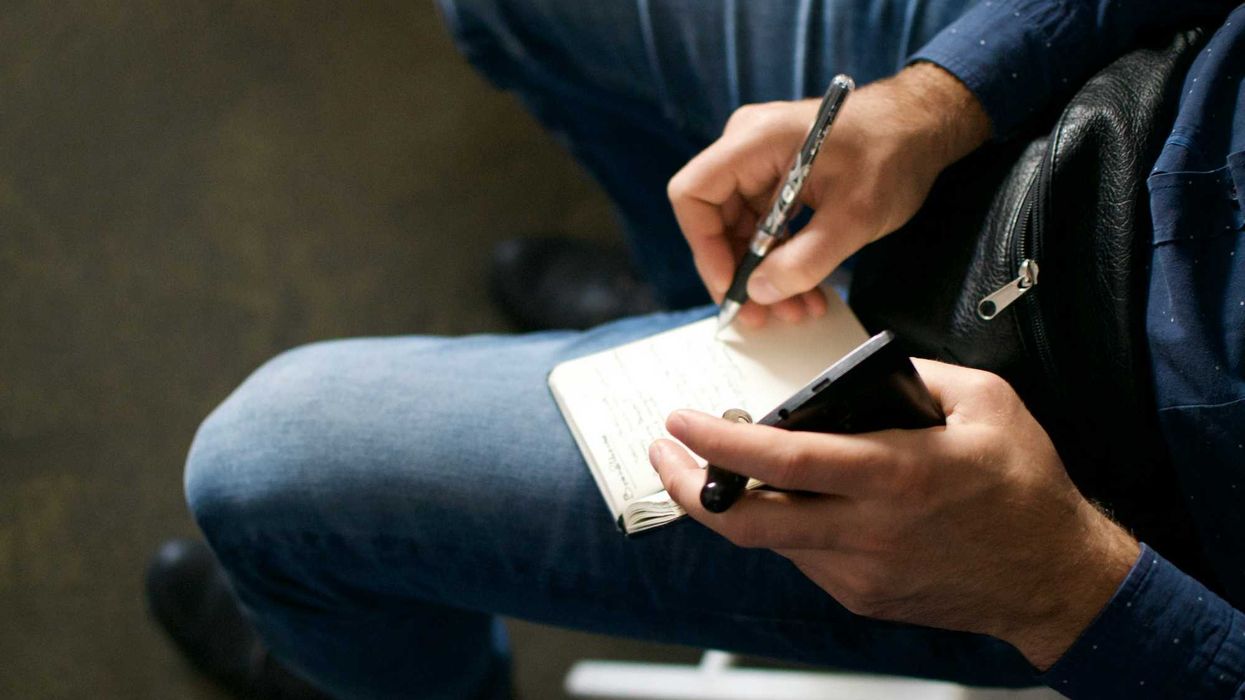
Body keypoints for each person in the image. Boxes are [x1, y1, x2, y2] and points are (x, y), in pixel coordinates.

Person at [148, 1, 1245, 697]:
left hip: (1082, 495)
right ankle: (703, 312)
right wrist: (941, 96)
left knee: (269, 470)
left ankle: (368, 673)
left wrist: (1062, 586)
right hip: (1111, 104)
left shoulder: (1063, 560)